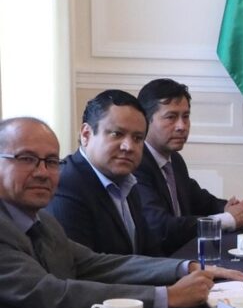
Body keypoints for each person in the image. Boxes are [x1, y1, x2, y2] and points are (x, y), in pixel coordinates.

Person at [0, 117, 243, 308]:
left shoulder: (43, 221)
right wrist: (166, 297)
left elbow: (95, 263)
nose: (42, 172)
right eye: (26, 159)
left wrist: (184, 267)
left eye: (51, 161)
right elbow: (52, 293)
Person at [134, 78, 243, 255]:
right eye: (171, 117)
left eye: (185, 117)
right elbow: (161, 227)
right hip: (159, 263)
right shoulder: (136, 164)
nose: (181, 126)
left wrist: (240, 210)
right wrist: (228, 219)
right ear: (144, 121)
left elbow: (203, 202)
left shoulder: (174, 160)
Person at [46, 90, 161, 256]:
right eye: (117, 134)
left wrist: (184, 267)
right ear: (86, 135)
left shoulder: (127, 182)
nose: (128, 147)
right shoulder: (65, 186)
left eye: (137, 138)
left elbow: (149, 252)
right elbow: (81, 268)